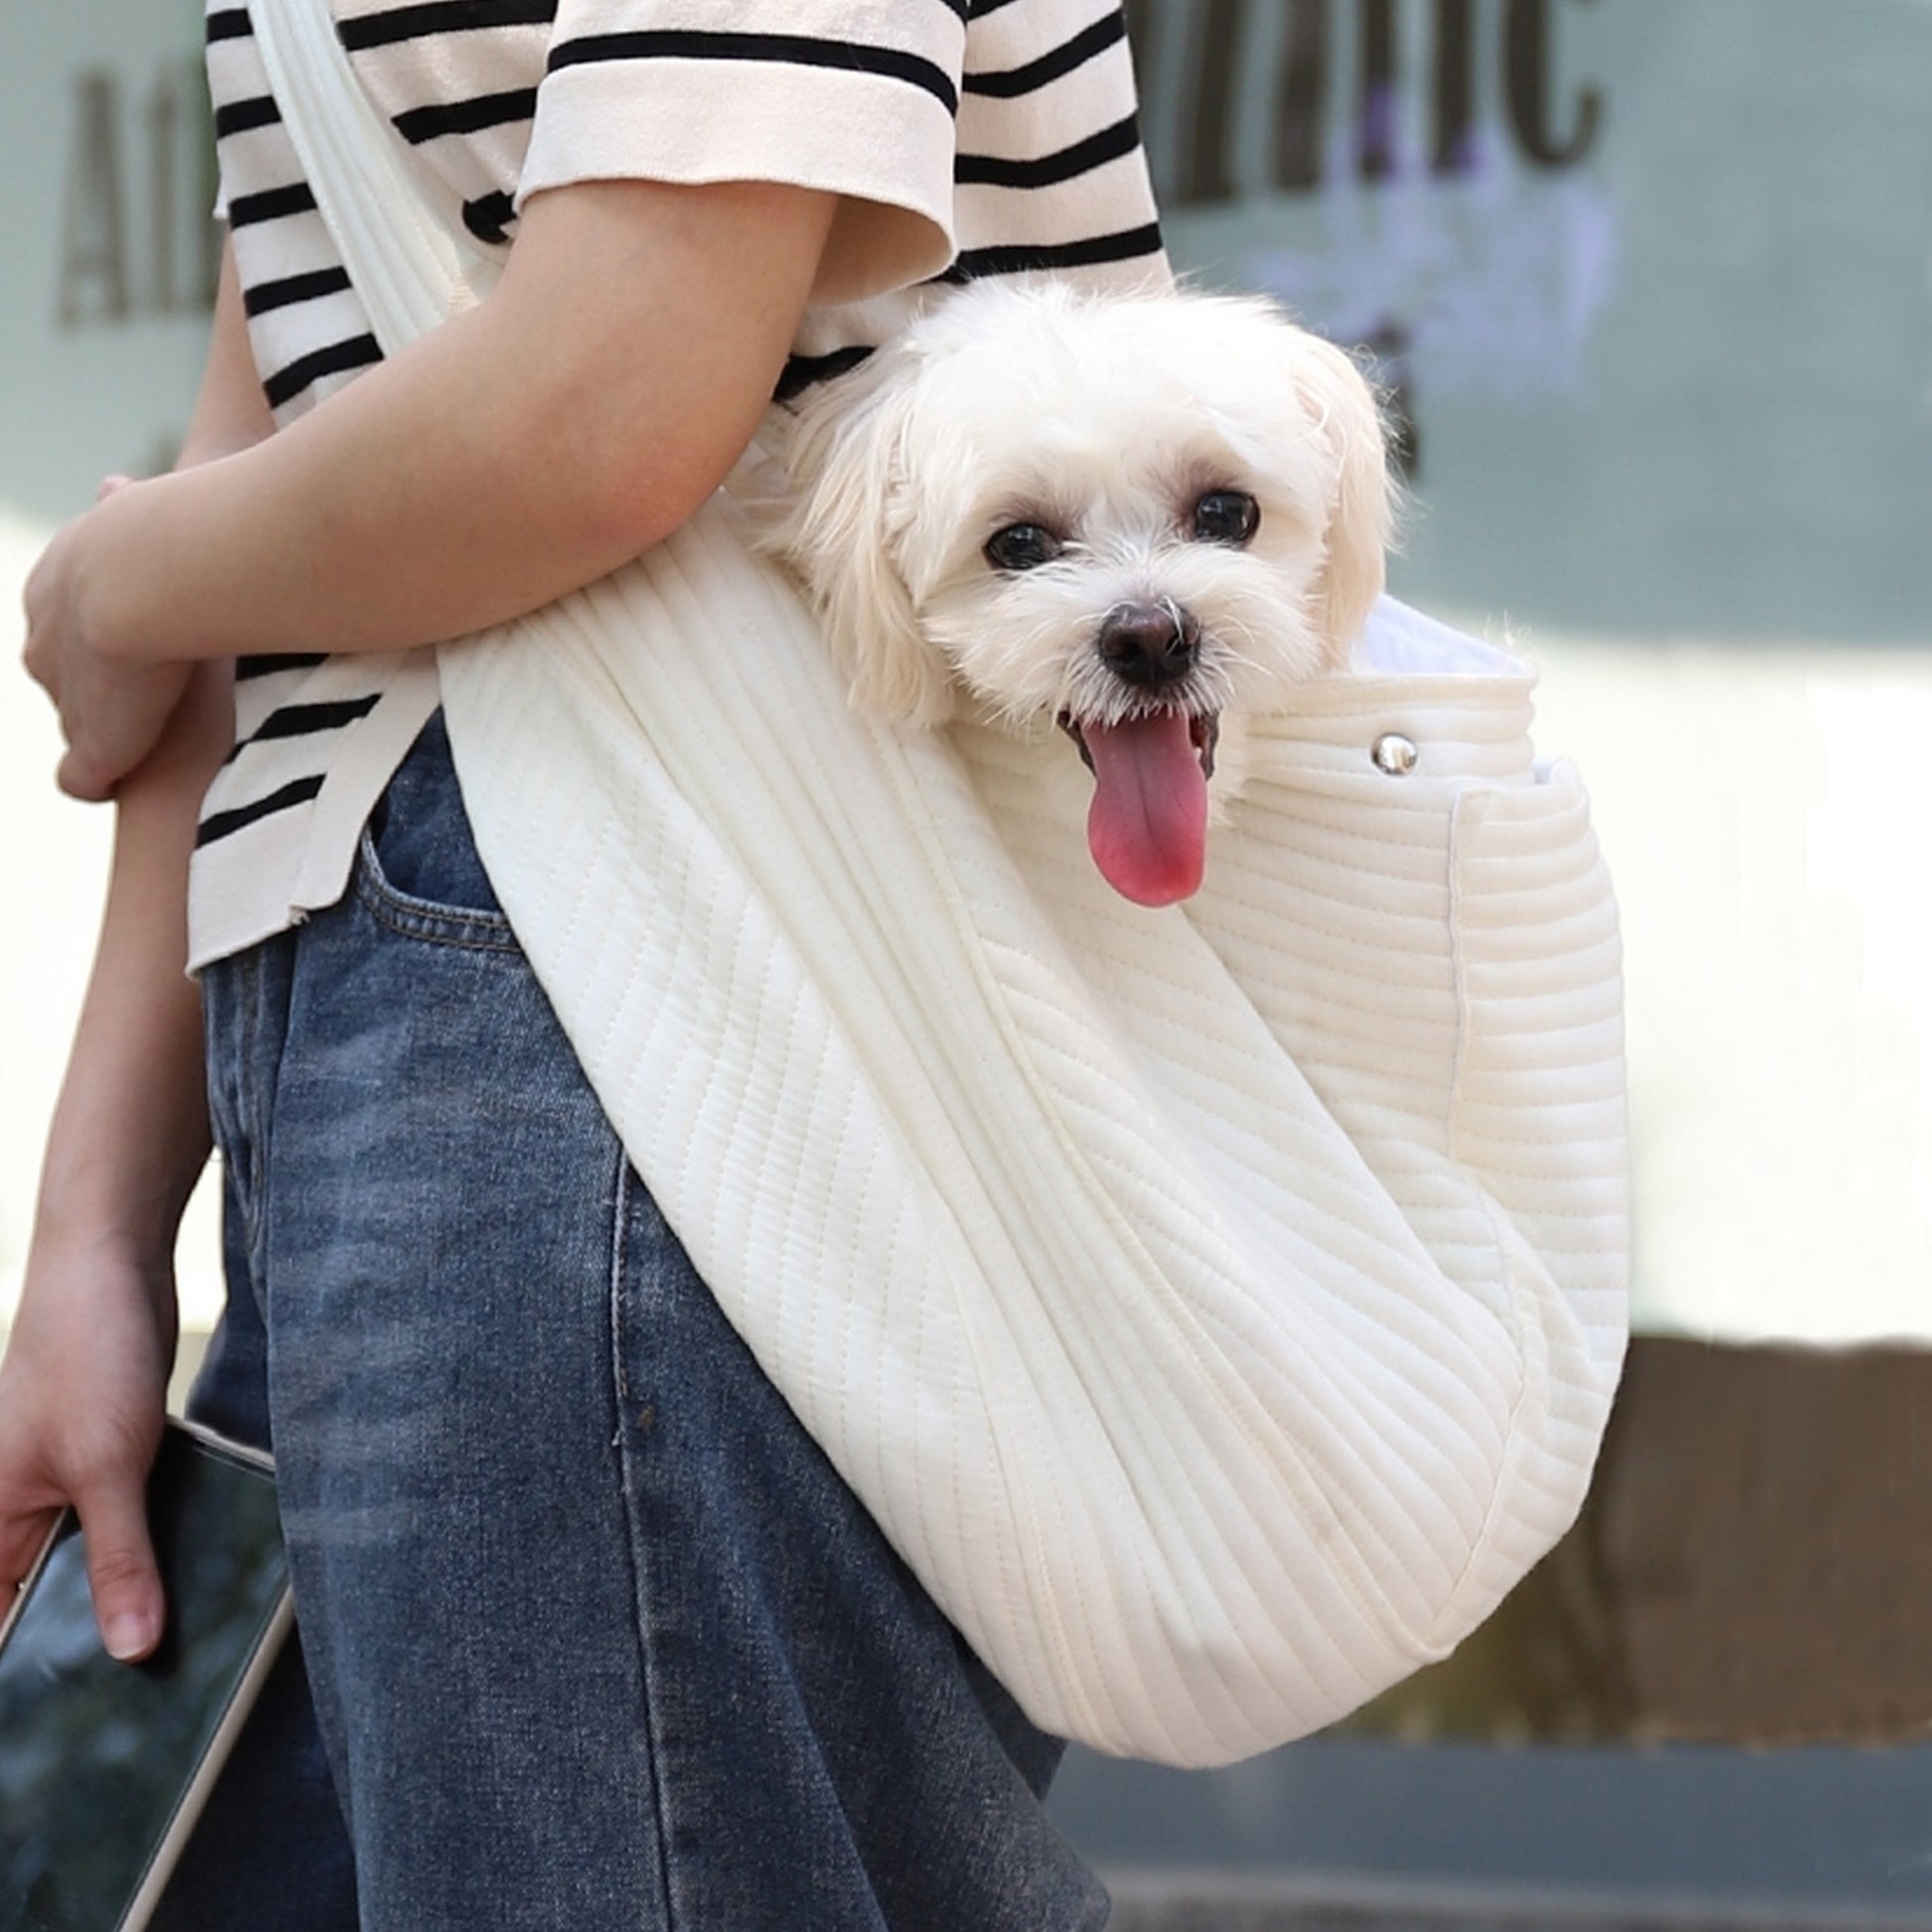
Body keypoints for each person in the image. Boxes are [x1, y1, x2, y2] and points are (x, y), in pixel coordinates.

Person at [5, 5, 1170, 1927]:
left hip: (657, 968)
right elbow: (287, 440)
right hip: (383, 983)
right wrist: (99, 1231)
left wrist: (99, 581)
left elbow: (596, 420)